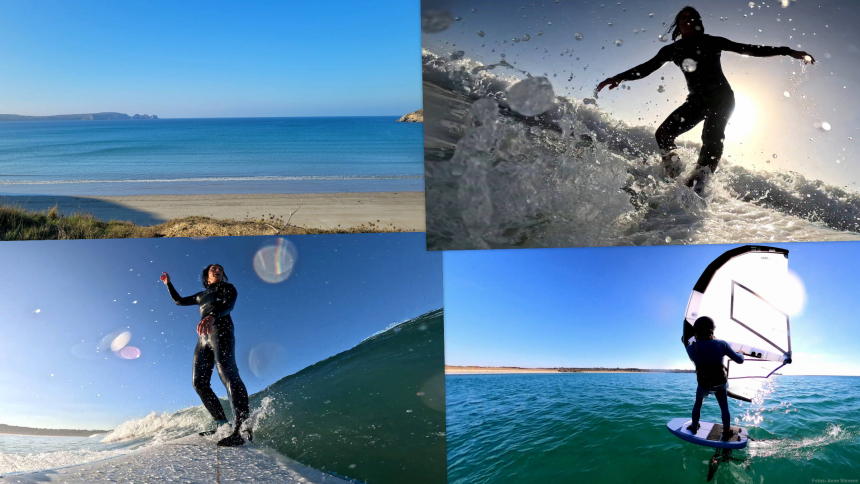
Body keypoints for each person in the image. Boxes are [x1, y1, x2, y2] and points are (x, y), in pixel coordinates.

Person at [596, 6, 815, 194]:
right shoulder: (671, 50)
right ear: (678, 25)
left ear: (698, 22)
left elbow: (748, 49)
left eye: (693, 17)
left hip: (722, 99)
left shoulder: (712, 42)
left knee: (710, 138)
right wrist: (619, 77)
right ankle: (673, 173)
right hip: (696, 101)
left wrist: (788, 51)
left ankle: (697, 184)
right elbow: (647, 67)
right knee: (663, 134)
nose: (688, 20)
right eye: (683, 18)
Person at [160, 264, 251, 447]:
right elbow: (179, 301)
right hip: (204, 338)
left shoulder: (228, 288)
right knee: (199, 383)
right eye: (213, 269)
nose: (217, 270)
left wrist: (211, 316)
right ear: (207, 276)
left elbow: (229, 306)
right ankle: (221, 425)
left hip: (221, 330)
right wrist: (168, 284)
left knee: (227, 374)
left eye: (220, 269)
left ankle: (243, 430)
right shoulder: (200, 295)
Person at [685, 316, 744, 441]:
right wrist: (741, 353)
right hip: (720, 385)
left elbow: (690, 342)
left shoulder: (690, 349)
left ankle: (694, 427)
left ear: (696, 331)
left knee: (698, 404)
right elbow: (739, 361)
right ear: (712, 330)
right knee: (724, 408)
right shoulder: (722, 344)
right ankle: (727, 431)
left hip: (703, 385)